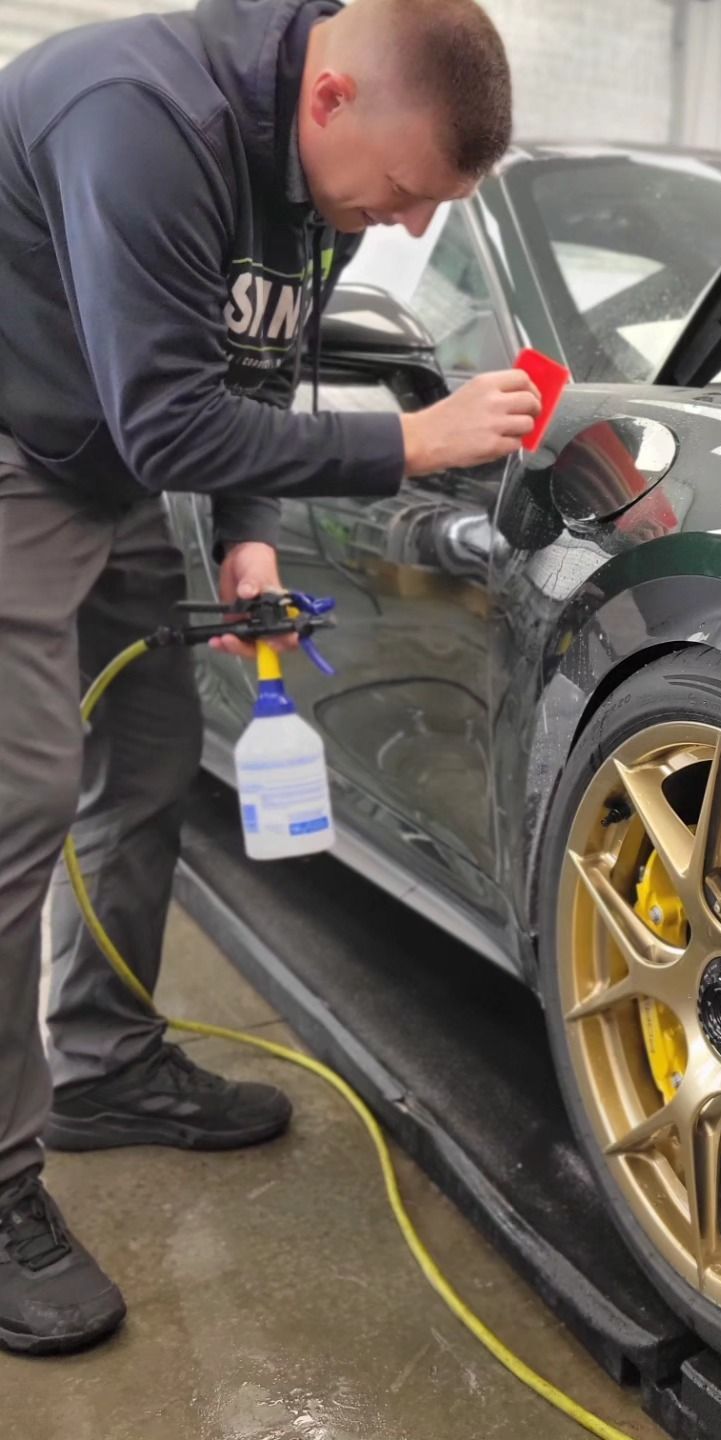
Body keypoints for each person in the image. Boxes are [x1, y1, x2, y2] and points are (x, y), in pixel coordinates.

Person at [0, 0, 541, 1356]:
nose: (409, 227)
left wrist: (246, 539)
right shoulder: (136, 117)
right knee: (19, 802)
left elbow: (253, 355)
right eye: (409, 193)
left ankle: (104, 1064)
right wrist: (405, 443)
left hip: (106, 452)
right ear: (331, 98)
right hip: (17, 448)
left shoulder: (323, 173)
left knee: (151, 747)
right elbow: (170, 410)